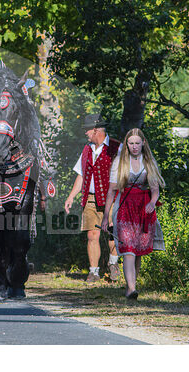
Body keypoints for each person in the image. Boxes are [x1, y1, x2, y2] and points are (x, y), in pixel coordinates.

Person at [101, 128, 165, 299]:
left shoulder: (148, 161)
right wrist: (106, 216)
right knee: (128, 249)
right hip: (124, 207)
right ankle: (131, 289)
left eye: (137, 143)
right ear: (126, 144)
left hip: (143, 209)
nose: (135, 146)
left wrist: (152, 202)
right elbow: (111, 191)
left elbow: (155, 189)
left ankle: (131, 285)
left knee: (138, 251)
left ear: (143, 143)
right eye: (131, 143)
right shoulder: (119, 163)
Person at [64, 113, 122, 283]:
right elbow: (81, 175)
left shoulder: (116, 147)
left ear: (96, 130)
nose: (85, 133)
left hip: (112, 196)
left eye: (87, 130)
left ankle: (113, 264)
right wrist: (71, 196)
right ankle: (94, 272)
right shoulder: (87, 149)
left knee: (113, 232)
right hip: (90, 197)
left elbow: (124, 174)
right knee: (92, 235)